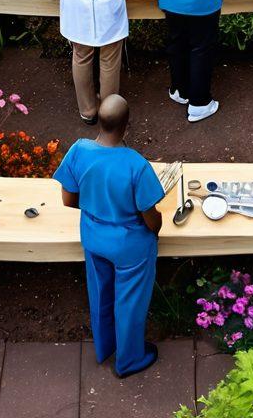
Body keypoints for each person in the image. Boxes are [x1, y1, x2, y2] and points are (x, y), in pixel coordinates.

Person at [54, 95, 164, 379]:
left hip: (92, 236)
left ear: (99, 121)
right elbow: (150, 217)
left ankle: (104, 348)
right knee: (129, 301)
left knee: (100, 293)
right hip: (129, 247)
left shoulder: (79, 150)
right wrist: (157, 229)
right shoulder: (136, 165)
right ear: (127, 126)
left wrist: (97, 207)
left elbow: (68, 199)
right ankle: (129, 361)